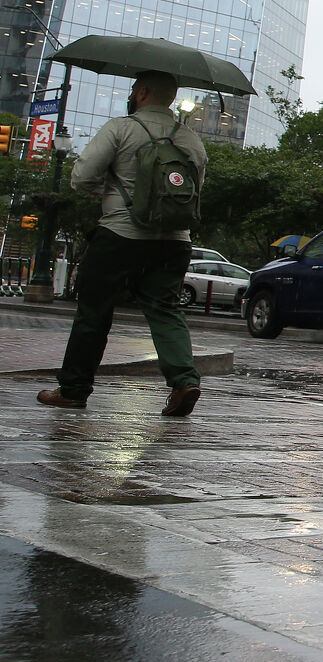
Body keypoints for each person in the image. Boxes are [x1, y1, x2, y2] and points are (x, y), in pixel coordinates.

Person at [36, 71, 208, 417]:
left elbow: (81, 178)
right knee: (165, 309)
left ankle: (73, 389)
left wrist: (112, 193)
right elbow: (193, 192)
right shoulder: (191, 140)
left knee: (94, 312)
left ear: (142, 92)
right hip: (175, 240)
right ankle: (183, 381)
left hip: (120, 235)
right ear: (171, 98)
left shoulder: (121, 128)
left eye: (134, 90)